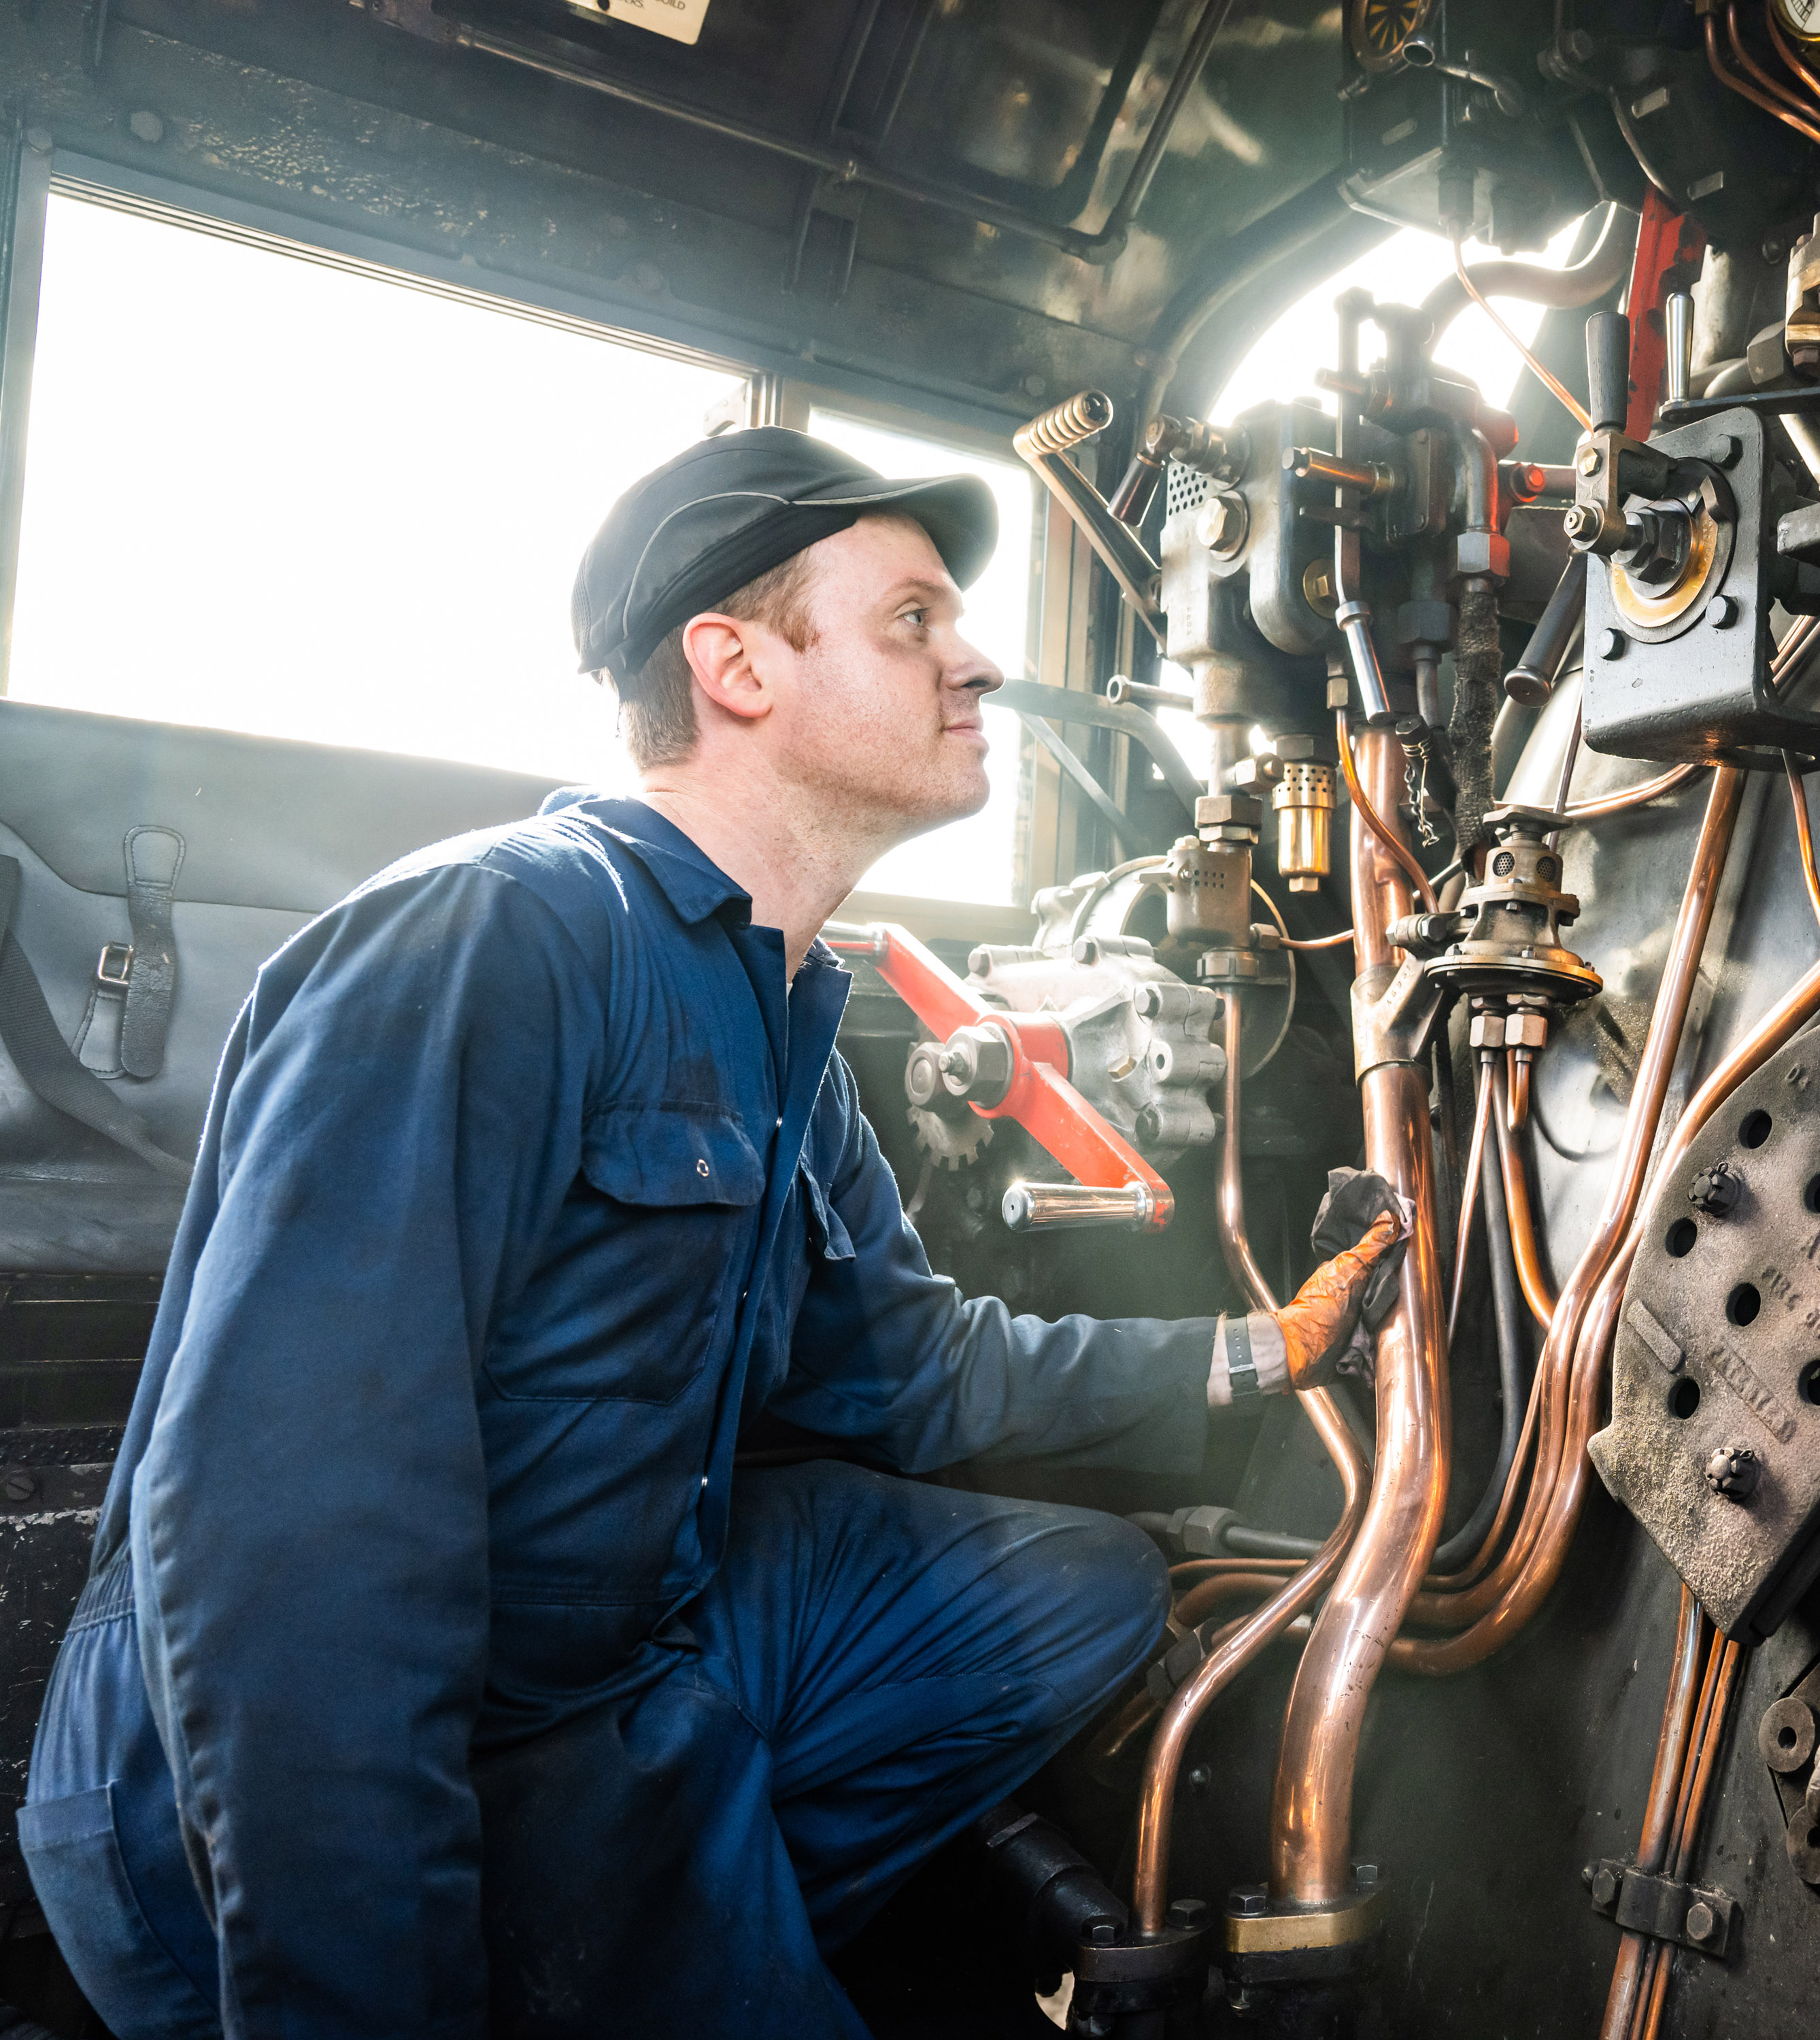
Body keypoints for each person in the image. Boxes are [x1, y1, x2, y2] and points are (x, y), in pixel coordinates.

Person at [17, 428, 1394, 2038]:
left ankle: (657, 1906)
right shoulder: (495, 938)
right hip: (238, 1792)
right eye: (913, 624)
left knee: (1078, 1590)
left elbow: (914, 1368)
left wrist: (1256, 1352)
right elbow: (291, 1551)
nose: (983, 664)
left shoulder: (782, 1006)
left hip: (604, 1664)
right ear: (736, 666)